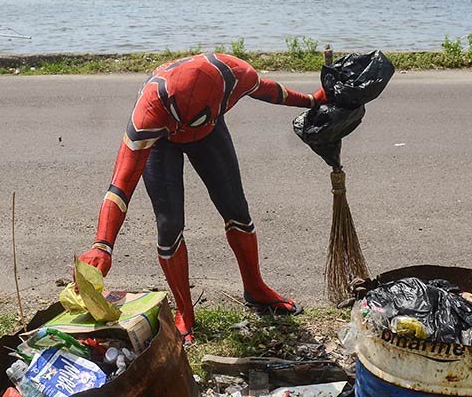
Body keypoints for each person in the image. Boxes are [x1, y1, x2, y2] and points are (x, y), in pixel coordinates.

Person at [78, 53, 327, 341]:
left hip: (210, 134)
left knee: (236, 209)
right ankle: (185, 310)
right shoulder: (148, 113)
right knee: (169, 225)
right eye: (189, 121)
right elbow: (120, 186)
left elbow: (270, 91)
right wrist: (102, 245)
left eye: (204, 116)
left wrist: (311, 100)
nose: (192, 125)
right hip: (163, 142)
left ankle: (255, 287)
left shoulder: (235, 75)